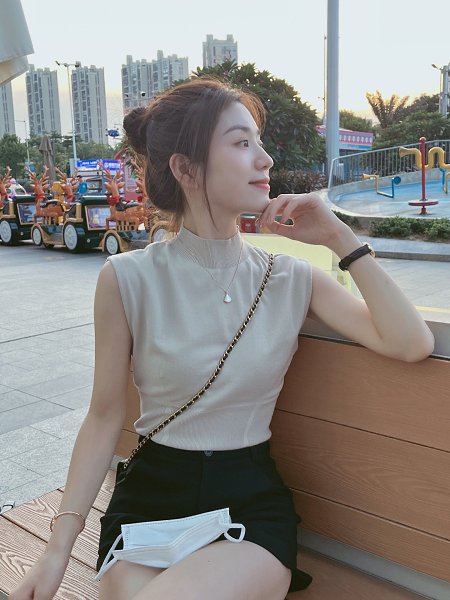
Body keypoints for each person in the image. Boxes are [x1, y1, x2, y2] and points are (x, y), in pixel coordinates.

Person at [10, 78, 435, 600]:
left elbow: (410, 342)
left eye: (259, 142)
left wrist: (339, 236)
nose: (265, 159)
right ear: (186, 169)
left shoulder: (291, 278)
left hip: (246, 505)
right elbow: (103, 417)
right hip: (149, 500)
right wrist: (56, 550)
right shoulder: (127, 278)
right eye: (241, 142)